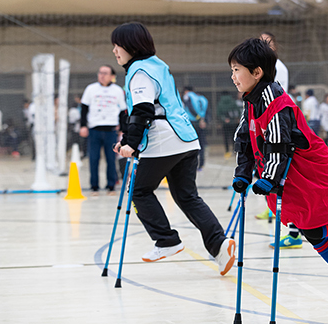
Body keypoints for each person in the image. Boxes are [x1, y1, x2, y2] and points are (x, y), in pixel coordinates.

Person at [228, 38, 328, 316]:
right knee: (312, 231)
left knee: (315, 230)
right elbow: (244, 139)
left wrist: (270, 180)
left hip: (309, 171)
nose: (233, 76)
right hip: (287, 174)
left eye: (237, 70)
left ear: (257, 73)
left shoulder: (277, 104)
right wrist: (242, 174)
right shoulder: (250, 101)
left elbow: (279, 146)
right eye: (232, 70)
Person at [110, 22, 235, 275]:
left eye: (117, 45)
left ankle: (167, 240)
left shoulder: (139, 70)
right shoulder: (158, 64)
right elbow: (148, 109)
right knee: (187, 197)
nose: (114, 50)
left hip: (164, 141)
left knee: (139, 190)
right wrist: (127, 139)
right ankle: (220, 245)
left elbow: (143, 110)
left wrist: (131, 145)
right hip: (187, 139)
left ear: (131, 45)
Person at [79, 65, 126, 196]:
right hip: (94, 129)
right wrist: (83, 125)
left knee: (111, 159)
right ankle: (94, 187)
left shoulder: (117, 90)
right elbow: (84, 108)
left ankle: (111, 186)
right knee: (93, 158)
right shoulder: (91, 89)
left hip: (111, 130)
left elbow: (123, 111)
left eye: (105, 73)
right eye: (100, 73)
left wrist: (122, 129)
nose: (102, 75)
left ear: (112, 76)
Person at [181, 86, 209, 170]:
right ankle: (201, 164)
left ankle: (191, 165)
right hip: (202, 124)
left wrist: (198, 118)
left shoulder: (188, 96)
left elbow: (190, 107)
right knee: (201, 144)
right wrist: (204, 121)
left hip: (192, 123)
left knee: (190, 144)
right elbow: (208, 111)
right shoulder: (203, 99)